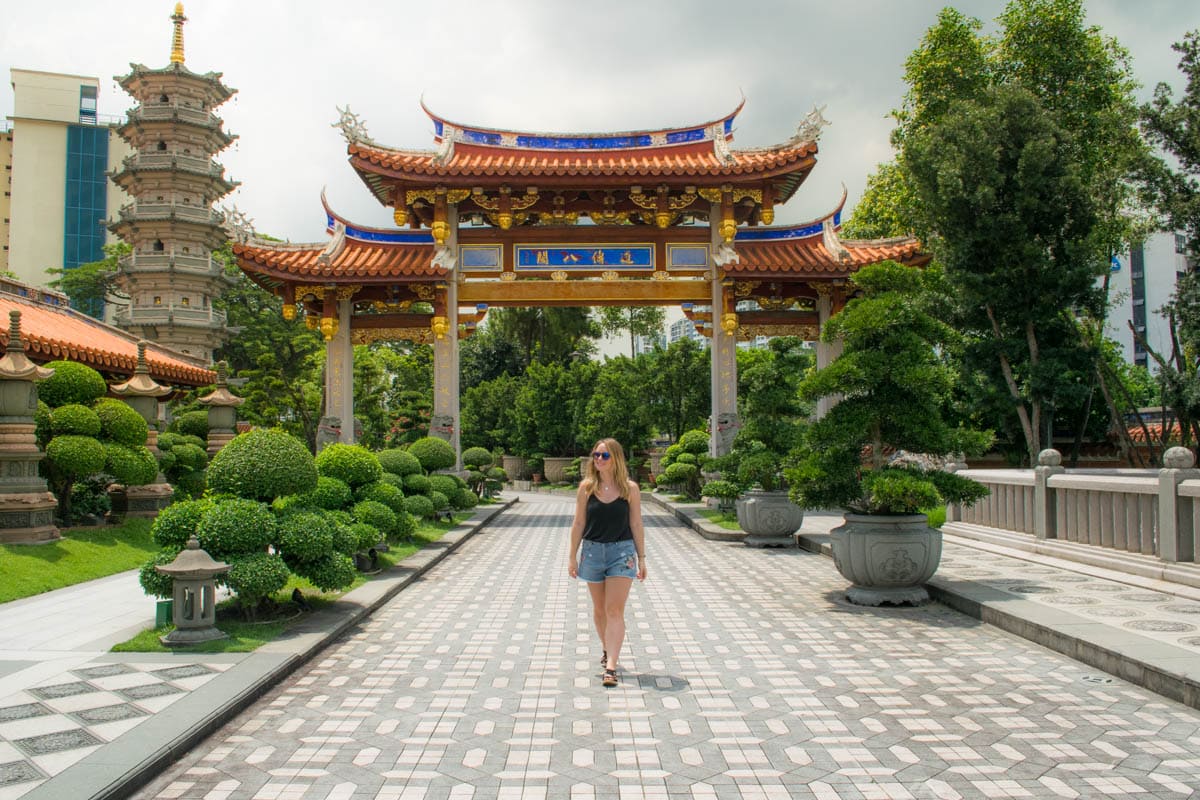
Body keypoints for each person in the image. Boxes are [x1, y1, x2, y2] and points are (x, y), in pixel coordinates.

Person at [567, 438, 647, 687]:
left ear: (616, 458)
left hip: (621, 553)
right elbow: (579, 523)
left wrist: (642, 558)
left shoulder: (629, 489)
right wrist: (572, 555)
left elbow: (636, 523)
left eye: (604, 456)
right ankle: (606, 648)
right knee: (600, 610)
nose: (598, 460)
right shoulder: (587, 487)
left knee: (614, 610)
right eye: (596, 455)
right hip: (592, 552)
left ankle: (611, 666)